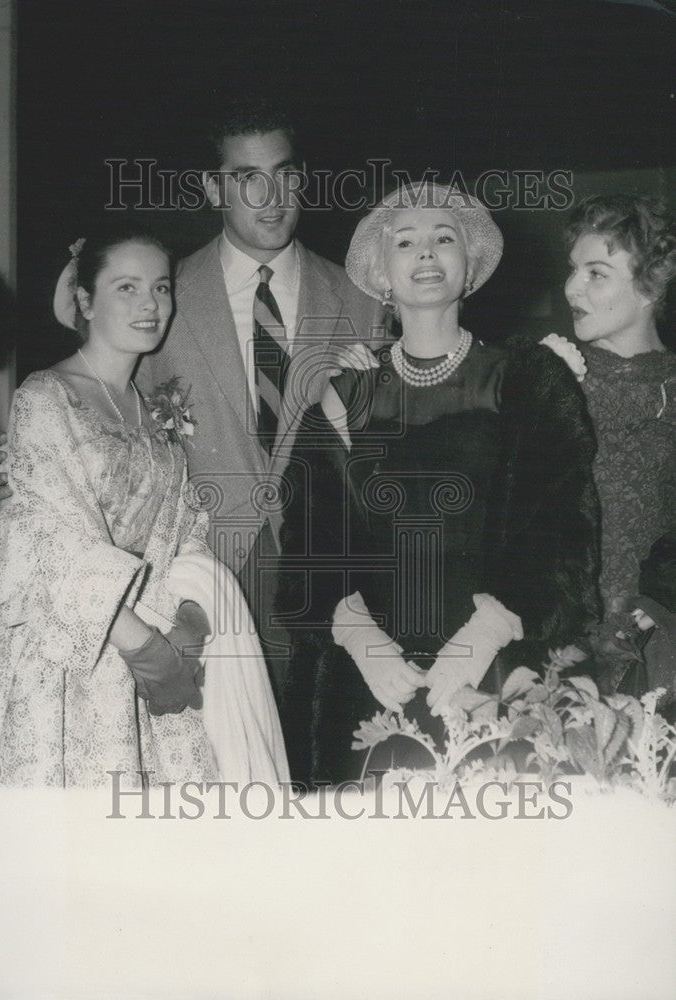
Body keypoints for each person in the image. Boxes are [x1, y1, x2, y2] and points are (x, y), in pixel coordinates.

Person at [277, 182, 601, 785]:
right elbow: (307, 543)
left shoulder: (529, 380)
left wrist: (486, 636)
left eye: (443, 238)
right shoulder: (345, 393)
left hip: (495, 675)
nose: (426, 253)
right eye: (406, 241)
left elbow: (563, 533)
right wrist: (360, 639)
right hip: (368, 685)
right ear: (382, 274)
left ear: (469, 267)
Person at [0, 232, 285, 786]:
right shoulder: (46, 397)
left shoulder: (154, 409)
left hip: (158, 647)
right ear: (86, 302)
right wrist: (145, 649)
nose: (150, 305)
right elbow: (50, 543)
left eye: (161, 288)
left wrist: (191, 620)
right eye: (127, 288)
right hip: (69, 656)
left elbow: (186, 527)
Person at [134, 98, 382, 698]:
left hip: (336, 573)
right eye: (248, 178)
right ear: (214, 189)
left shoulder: (365, 298)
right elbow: (115, 425)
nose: (272, 195)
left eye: (285, 173)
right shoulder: (161, 300)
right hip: (208, 569)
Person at [563, 194, 676, 691]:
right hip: (564, 652)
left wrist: (655, 610)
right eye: (573, 270)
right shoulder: (553, 378)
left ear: (651, 284)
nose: (571, 288)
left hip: (659, 650)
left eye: (596, 273)